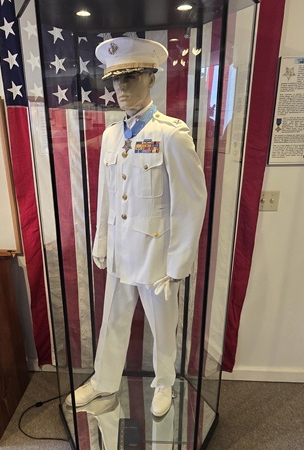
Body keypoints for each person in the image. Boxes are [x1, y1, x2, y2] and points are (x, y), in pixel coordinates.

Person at [68, 36, 207, 418]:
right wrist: (101, 242)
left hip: (156, 254)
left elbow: (191, 202)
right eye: (116, 80)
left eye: (130, 78)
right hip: (119, 250)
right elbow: (106, 194)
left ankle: (164, 383)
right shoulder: (112, 135)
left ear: (151, 78)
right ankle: (103, 381)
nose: (121, 88)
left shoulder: (171, 135)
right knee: (112, 320)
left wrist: (178, 264)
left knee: (163, 325)